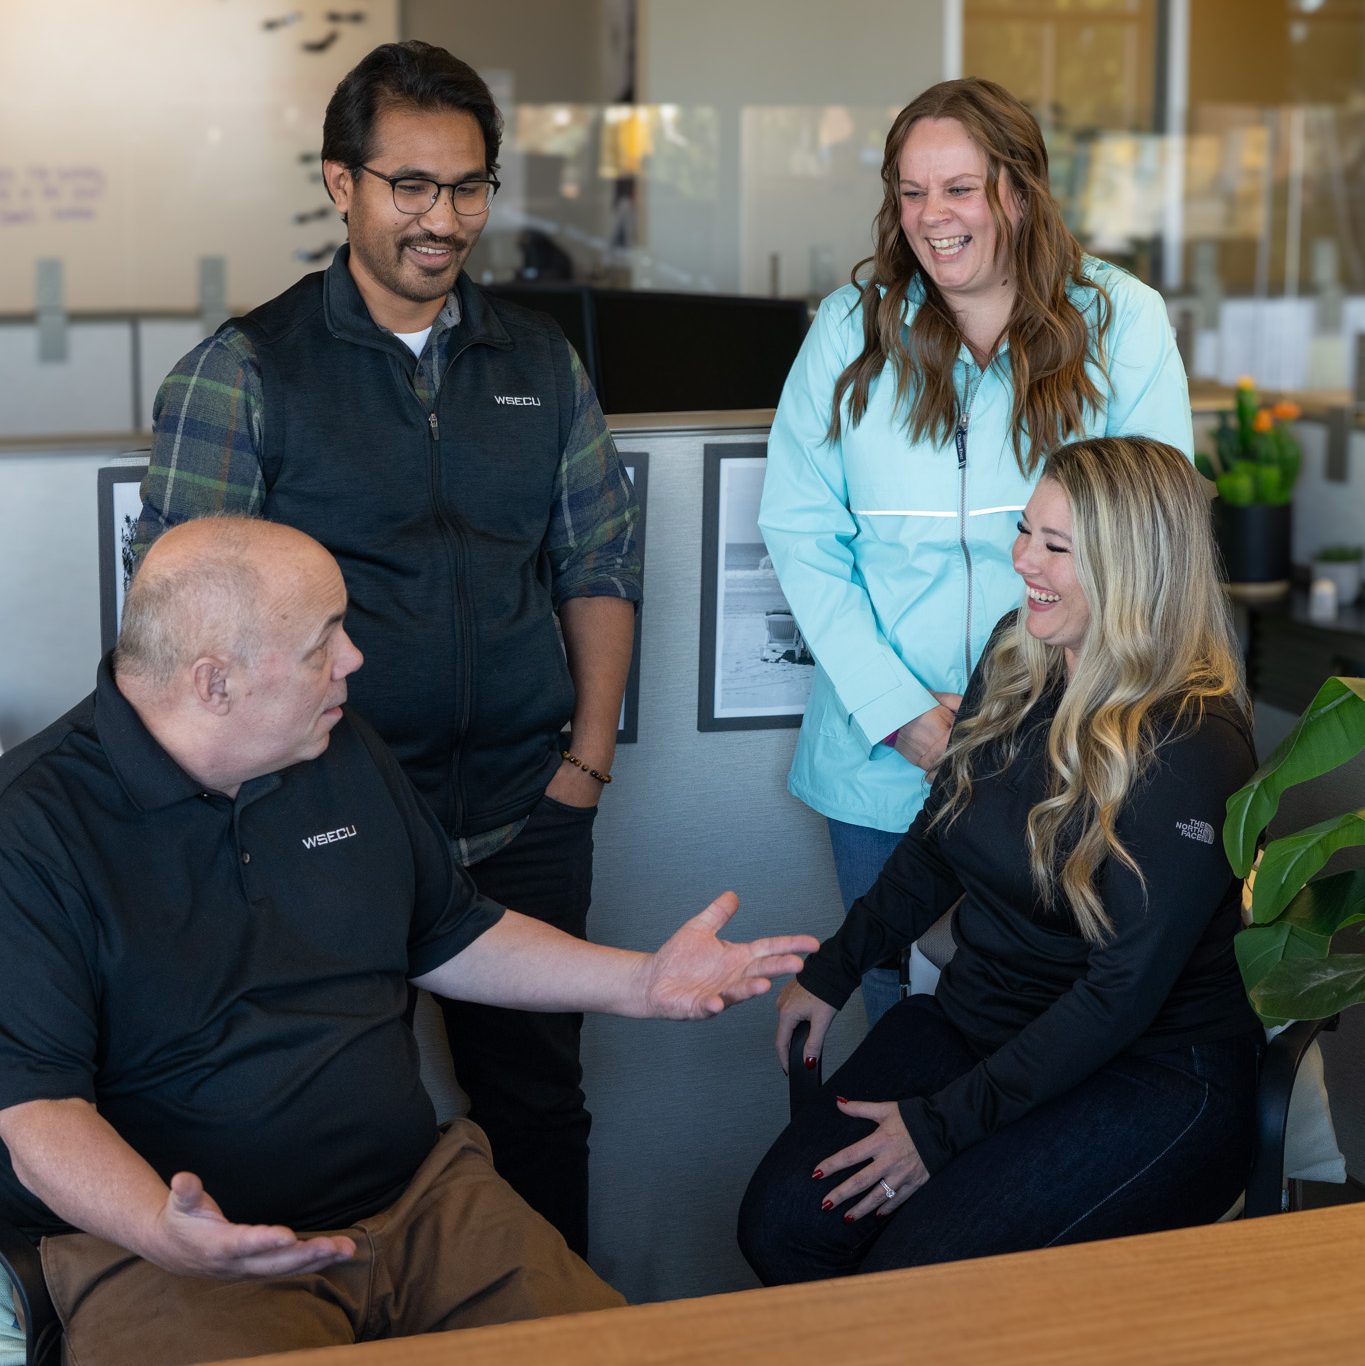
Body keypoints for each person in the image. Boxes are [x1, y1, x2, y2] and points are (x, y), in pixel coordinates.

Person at [0, 517, 815, 1365]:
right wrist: (164, 1235)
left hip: (422, 1201)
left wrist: (641, 982)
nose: (352, 660)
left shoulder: (332, 743)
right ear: (215, 683)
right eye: (324, 643)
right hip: (183, 1255)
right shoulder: (32, 829)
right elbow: (38, 1114)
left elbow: (450, 933)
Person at [134, 41, 639, 1254]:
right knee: (327, 1123)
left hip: (525, 817)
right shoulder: (243, 372)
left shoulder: (539, 363)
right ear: (341, 184)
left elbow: (598, 563)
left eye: (468, 186)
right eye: (409, 184)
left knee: (538, 1111)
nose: (442, 217)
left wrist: (586, 764)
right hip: (326, 823)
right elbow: (178, 624)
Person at [738, 436, 1264, 1282]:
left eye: (1055, 548)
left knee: (919, 1283)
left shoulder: (1192, 743)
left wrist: (937, 1130)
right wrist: (834, 969)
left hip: (1149, 1074)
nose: (1021, 560)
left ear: (1132, 569)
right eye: (1026, 532)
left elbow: (1119, 996)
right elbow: (941, 840)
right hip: (985, 1023)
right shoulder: (1018, 655)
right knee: (784, 1227)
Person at [757, 78, 1194, 1026]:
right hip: (881, 754)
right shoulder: (850, 327)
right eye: (911, 193)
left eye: (959, 188)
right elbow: (800, 530)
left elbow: (1148, 538)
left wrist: (1025, 730)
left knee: (1050, 1017)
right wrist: (903, 714)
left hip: (1069, 752)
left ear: (1019, 191)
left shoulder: (1119, 321)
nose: (930, 217)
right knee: (889, 1009)